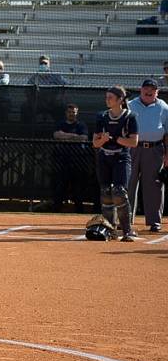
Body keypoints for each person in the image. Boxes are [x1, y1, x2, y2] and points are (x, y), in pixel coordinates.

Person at [94, 85, 139, 241]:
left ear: (120, 100)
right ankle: (110, 229)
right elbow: (95, 143)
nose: (107, 100)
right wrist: (104, 139)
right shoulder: (102, 116)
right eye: (106, 97)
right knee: (106, 192)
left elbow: (134, 142)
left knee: (119, 192)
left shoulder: (129, 117)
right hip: (104, 156)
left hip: (121, 156)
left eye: (110, 97)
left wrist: (118, 139)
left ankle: (127, 230)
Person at [126, 78, 168, 233]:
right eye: (146, 88)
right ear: (141, 89)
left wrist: (167, 155)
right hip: (132, 148)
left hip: (155, 149)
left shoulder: (163, 107)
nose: (149, 91)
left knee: (155, 186)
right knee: (128, 184)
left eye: (153, 89)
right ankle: (126, 220)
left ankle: (154, 221)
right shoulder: (130, 105)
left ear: (157, 91)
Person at [51, 103, 90, 213]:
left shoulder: (81, 125)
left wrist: (66, 136)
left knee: (77, 187)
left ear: (77, 113)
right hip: (61, 160)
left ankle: (79, 211)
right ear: (66, 113)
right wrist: (74, 136)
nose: (71, 114)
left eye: (73, 112)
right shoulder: (60, 124)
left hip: (77, 161)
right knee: (60, 185)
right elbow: (57, 135)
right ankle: (56, 210)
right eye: (69, 112)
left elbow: (83, 138)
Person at [25, 55, 68, 123]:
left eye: (45, 63)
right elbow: (27, 90)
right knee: (25, 107)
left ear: (49, 65)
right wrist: (32, 101)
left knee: (62, 109)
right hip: (39, 104)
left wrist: (60, 98)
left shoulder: (56, 76)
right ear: (39, 65)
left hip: (54, 104)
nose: (43, 65)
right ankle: (28, 130)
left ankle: (60, 131)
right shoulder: (34, 77)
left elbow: (66, 86)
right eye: (41, 63)